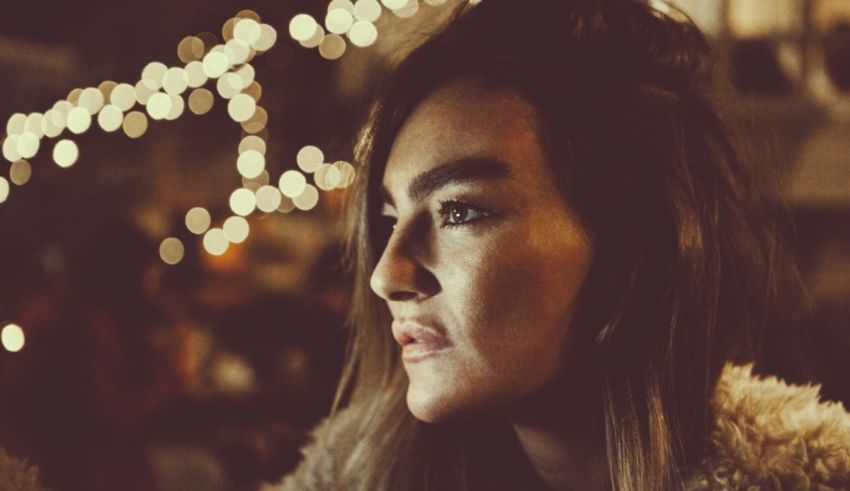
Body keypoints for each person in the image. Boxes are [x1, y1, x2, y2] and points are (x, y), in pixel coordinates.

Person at [273, 0, 850, 489]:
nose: (386, 275)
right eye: (390, 216)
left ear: (633, 238)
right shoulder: (352, 477)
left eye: (459, 210)